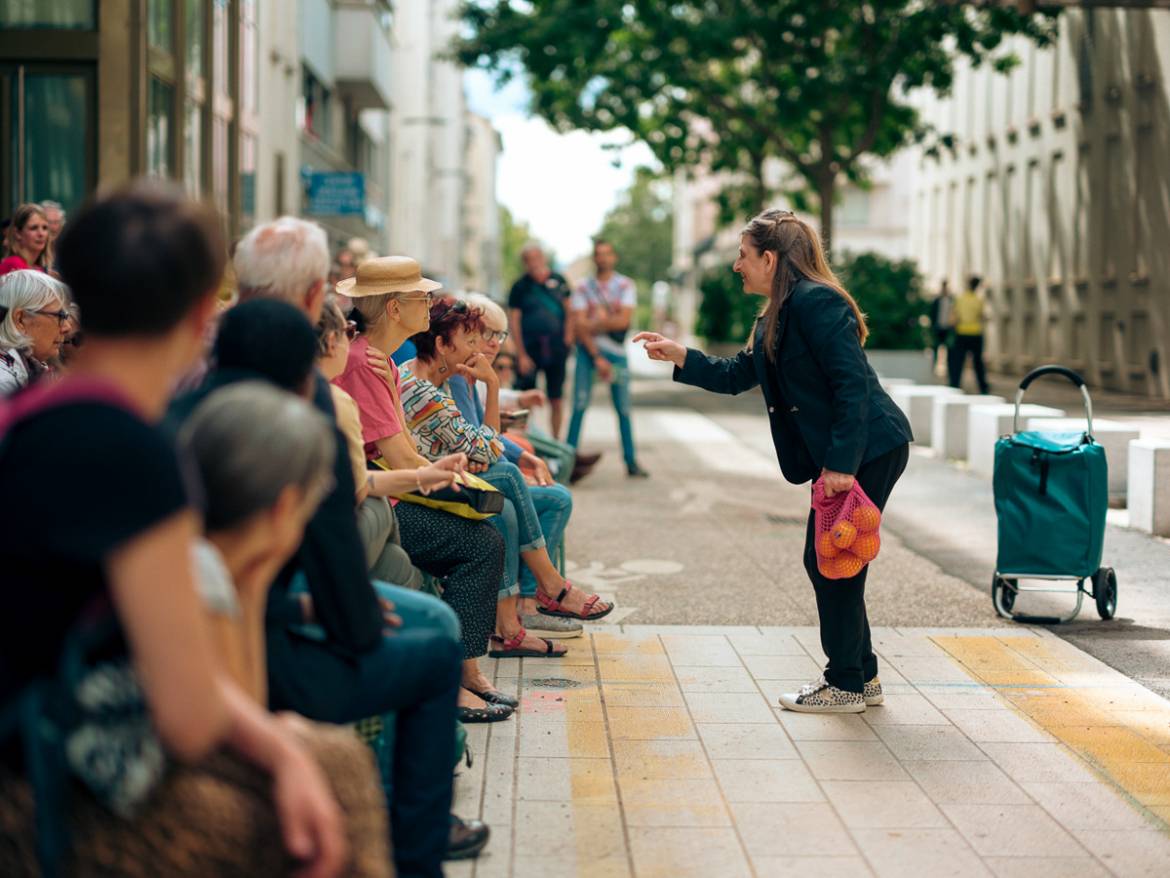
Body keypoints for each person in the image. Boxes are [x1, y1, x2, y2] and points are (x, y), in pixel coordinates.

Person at [0, 182, 364, 877]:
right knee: (339, 781)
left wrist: (280, 746)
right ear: (204, 312)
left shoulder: (36, 409)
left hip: (36, 736)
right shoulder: (135, 450)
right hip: (42, 791)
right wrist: (257, 570)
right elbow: (191, 718)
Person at [217, 221, 491, 871]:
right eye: (422, 299)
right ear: (318, 300)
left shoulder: (201, 384)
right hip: (257, 633)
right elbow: (335, 525)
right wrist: (337, 617)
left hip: (248, 616)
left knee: (414, 577)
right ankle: (416, 843)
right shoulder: (321, 393)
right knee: (429, 638)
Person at [635, 208, 913, 714]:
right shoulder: (779, 311)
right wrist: (680, 355)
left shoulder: (817, 303)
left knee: (830, 562)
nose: (736, 267)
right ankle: (861, 676)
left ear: (770, 257)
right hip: (855, 448)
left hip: (869, 446)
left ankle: (847, 681)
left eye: (743, 256)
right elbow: (740, 373)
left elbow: (851, 385)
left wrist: (841, 465)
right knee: (836, 560)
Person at [333, 256, 512, 721]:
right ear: (394, 309)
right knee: (481, 546)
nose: (429, 304)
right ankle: (457, 675)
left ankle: (464, 670)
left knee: (487, 535)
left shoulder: (379, 361)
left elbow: (405, 445)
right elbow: (404, 459)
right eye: (420, 298)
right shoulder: (362, 363)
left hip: (386, 495)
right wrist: (443, 473)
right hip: (373, 501)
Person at [405, 298, 595, 650]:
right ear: (442, 345)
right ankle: (547, 588)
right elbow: (485, 447)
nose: (483, 348)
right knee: (507, 477)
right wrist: (492, 386)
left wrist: (479, 449)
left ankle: (512, 623)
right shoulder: (430, 390)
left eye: (489, 338)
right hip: (422, 490)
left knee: (507, 500)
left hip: (446, 477)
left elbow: (478, 445)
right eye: (473, 340)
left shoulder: (442, 379)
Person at [567, 239, 649, 477]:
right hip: (588, 354)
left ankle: (631, 462)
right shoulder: (583, 287)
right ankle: (568, 460)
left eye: (607, 254)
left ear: (614, 257)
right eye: (598, 254)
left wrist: (592, 322)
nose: (602, 258)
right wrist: (596, 353)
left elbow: (623, 321)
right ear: (594, 258)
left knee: (623, 408)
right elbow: (578, 327)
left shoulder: (625, 285)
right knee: (579, 406)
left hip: (616, 355)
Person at [508, 242, 574, 437]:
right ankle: (529, 441)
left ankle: (555, 440)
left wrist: (568, 338)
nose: (534, 263)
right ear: (524, 263)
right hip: (530, 350)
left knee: (556, 398)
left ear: (543, 259)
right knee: (527, 398)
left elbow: (570, 311)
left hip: (556, 349)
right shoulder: (520, 287)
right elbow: (514, 321)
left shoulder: (559, 280)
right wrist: (520, 355)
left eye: (537, 258)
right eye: (529, 260)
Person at [0, 270, 69, 395]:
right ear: (20, 320)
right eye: (60, 315)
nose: (66, 327)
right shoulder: (5, 386)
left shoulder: (28, 372)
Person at [948, 274, 991, 394]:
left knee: (958, 361)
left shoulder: (960, 298)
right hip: (976, 333)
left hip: (961, 332)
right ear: (977, 287)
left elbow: (953, 318)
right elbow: (982, 316)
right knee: (978, 362)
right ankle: (983, 388)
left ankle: (954, 386)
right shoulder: (978, 300)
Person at [0, 204, 53, 276]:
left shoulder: (39, 269)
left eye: (44, 228)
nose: (41, 234)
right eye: (33, 228)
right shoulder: (14, 264)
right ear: (18, 233)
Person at [928, 279, 954, 377]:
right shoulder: (937, 300)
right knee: (935, 348)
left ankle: (948, 371)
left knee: (949, 350)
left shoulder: (951, 300)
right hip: (938, 327)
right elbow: (932, 313)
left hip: (948, 328)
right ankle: (933, 369)